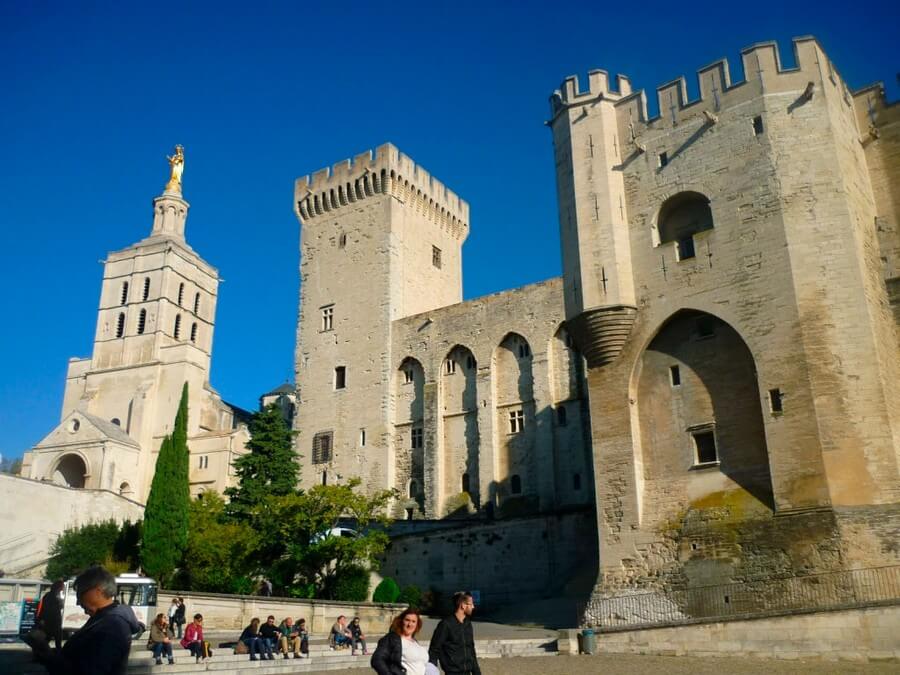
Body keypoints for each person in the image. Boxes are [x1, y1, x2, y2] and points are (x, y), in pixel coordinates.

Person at [24, 565, 141, 675]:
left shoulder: (112, 625)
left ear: (97, 591)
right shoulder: (104, 619)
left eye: (80, 594)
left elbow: (89, 670)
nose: (78, 602)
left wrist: (47, 654)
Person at [428, 591, 481, 675]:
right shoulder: (445, 624)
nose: (473, 607)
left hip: (467, 672)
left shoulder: (468, 624)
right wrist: (431, 671)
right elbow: (434, 650)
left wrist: (477, 672)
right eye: (471, 604)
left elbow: (471, 650)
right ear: (463, 605)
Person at [371, 607, 429, 675]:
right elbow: (377, 660)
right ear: (401, 621)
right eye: (407, 620)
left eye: (413, 621)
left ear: (417, 625)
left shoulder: (416, 642)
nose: (410, 624)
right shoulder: (392, 638)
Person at [36, 580, 65, 651]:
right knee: (53, 638)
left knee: (52, 638)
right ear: (58, 587)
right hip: (51, 620)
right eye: (62, 586)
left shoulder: (50, 595)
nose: (63, 588)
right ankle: (41, 652)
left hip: (52, 620)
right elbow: (48, 609)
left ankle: (41, 651)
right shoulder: (52, 596)